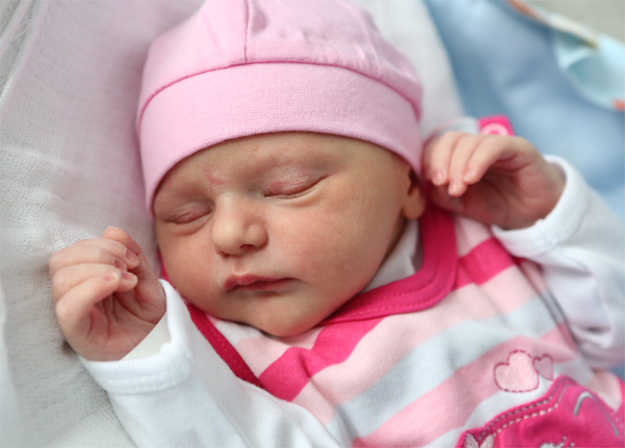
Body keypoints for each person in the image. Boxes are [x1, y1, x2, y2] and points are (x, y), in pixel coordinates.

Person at [49, 1, 624, 446]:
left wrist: (547, 217)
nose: (228, 235)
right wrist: (147, 360)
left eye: (289, 188)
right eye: (187, 216)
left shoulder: (481, 231)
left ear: (407, 184)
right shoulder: (237, 363)